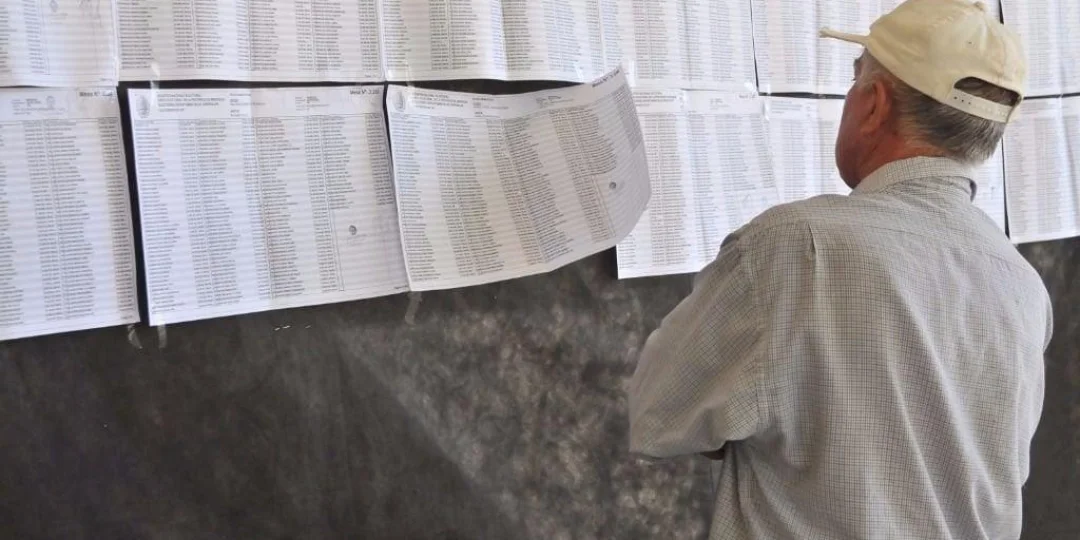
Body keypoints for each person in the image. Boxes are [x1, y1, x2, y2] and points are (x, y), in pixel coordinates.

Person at [626, 1, 1053, 539]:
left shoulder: (793, 249)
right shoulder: (1024, 287)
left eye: (855, 82)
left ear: (873, 104)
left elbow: (657, 414)